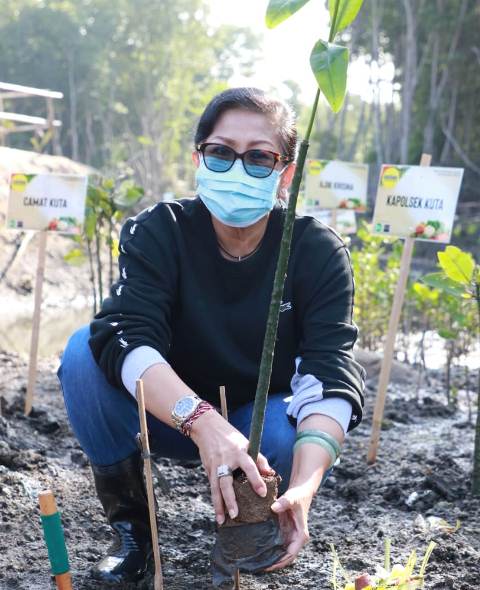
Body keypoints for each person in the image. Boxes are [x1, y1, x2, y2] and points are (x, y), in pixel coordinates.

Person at [58, 87, 366, 585]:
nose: (237, 171)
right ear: (198, 158)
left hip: (258, 434)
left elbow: (330, 375)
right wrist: (203, 423)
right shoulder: (160, 231)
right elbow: (128, 337)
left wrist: (306, 485)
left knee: (290, 433)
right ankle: (135, 534)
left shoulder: (314, 251)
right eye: (221, 153)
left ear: (285, 173)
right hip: (166, 414)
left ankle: (241, 542)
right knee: (81, 355)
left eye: (259, 158)